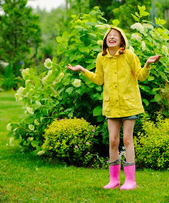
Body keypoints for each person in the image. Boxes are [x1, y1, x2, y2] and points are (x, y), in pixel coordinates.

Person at [66, 26, 161, 190]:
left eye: (115, 35)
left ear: (121, 39)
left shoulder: (129, 55)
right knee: (112, 141)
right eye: (109, 35)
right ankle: (114, 179)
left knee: (127, 140)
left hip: (129, 104)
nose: (111, 37)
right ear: (105, 40)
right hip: (111, 105)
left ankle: (131, 181)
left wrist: (146, 65)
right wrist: (82, 69)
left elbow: (140, 76)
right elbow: (99, 79)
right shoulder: (101, 58)